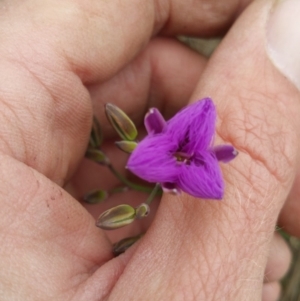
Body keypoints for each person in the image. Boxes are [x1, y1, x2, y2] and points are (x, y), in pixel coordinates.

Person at [0, 0, 298, 300]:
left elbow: (205, 115)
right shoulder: (160, 154)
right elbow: (158, 154)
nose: (182, 157)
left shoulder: (197, 127)